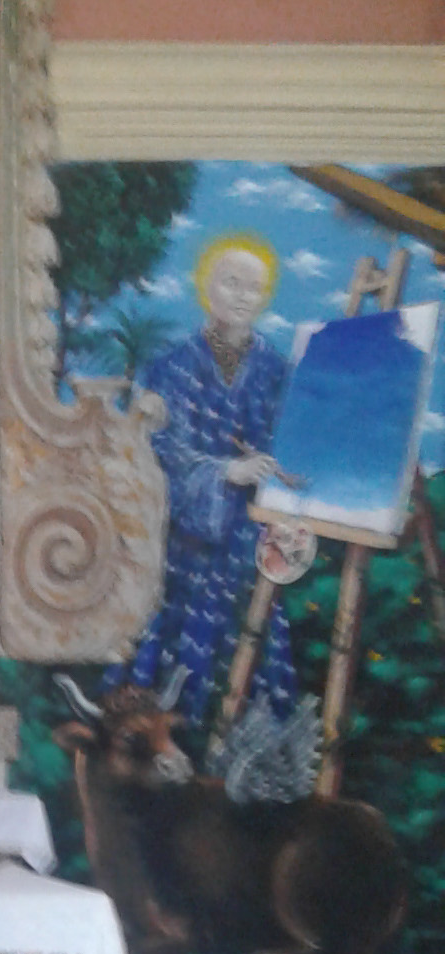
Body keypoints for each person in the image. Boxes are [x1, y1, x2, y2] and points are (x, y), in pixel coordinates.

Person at [123, 236, 297, 723]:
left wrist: (278, 473)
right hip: (186, 544)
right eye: (231, 283)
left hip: (249, 540)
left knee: (251, 647)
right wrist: (224, 472)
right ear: (206, 287)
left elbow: (290, 446)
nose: (242, 296)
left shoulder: (277, 371)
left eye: (254, 287)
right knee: (170, 655)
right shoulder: (171, 366)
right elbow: (157, 451)